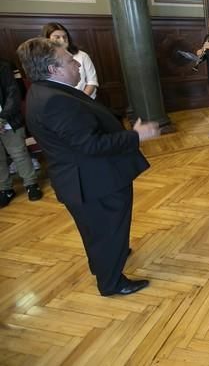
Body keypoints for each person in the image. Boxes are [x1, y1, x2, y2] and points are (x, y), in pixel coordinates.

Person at [17, 37, 159, 296]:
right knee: (107, 230)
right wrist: (137, 135)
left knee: (99, 231)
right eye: (69, 61)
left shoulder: (42, 90)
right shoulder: (54, 100)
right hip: (94, 182)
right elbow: (91, 145)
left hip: (86, 179)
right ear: (53, 69)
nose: (77, 65)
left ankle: (107, 259)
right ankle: (111, 283)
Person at [0, 58, 43, 207]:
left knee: (19, 153)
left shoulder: (4, 66)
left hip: (9, 119)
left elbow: (13, 92)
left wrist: (2, 118)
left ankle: (31, 185)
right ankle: (5, 189)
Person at [42, 22, 99, 99]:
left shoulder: (82, 55)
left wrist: (82, 99)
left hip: (86, 99)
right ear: (47, 39)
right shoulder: (45, 60)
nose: (62, 40)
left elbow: (92, 81)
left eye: (65, 37)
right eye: (57, 37)